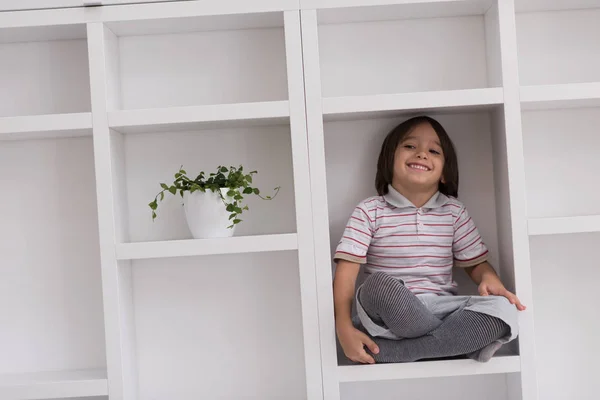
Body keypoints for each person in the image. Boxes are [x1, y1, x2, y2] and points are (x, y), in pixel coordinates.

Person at [333, 115, 524, 364]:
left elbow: (476, 264)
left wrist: (490, 279)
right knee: (377, 285)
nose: (422, 154)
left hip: (440, 310)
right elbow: (346, 276)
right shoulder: (370, 210)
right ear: (388, 160)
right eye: (410, 146)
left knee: (504, 311)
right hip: (387, 316)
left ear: (445, 173)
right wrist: (344, 328)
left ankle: (403, 352)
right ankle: (453, 345)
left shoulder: (454, 212)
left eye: (434, 150)